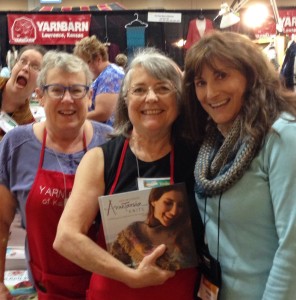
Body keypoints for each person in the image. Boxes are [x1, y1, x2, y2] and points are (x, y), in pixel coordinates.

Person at [54, 48, 202, 300]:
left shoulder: (198, 157)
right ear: (125, 100)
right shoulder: (101, 159)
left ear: (179, 100)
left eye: (163, 88)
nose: (151, 98)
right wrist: (130, 276)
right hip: (115, 291)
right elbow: (66, 238)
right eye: (139, 90)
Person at [183, 30, 296, 300]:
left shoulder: (282, 135)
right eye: (201, 82)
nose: (210, 93)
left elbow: (292, 247)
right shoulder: (212, 139)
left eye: (222, 75)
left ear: (251, 76)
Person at [0, 51, 112, 299]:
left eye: (77, 90)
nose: (68, 99)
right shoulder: (15, 145)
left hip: (106, 287)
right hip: (45, 290)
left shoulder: (111, 142)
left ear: (90, 95)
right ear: (39, 96)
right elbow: (1, 223)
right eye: (57, 90)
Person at [110, 183, 198, 271]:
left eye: (180, 205)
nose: (174, 212)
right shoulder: (132, 232)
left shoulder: (186, 233)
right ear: (153, 201)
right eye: (168, 203)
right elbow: (116, 268)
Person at [73, 35, 124, 126]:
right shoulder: (105, 74)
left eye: (84, 63)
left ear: (98, 59)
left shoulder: (111, 76)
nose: (82, 68)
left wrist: (75, 118)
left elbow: (102, 113)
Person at [0, 45, 47, 140]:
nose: (26, 68)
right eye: (22, 61)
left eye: (35, 66)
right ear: (13, 67)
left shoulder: (27, 128)